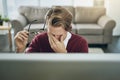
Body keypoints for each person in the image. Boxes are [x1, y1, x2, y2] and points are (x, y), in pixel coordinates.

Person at [14, 6, 88, 53]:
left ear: (68, 29)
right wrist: (20, 49)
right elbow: (26, 66)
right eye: (51, 34)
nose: (55, 39)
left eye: (59, 35)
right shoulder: (39, 40)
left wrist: (63, 55)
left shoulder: (81, 43)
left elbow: (83, 73)